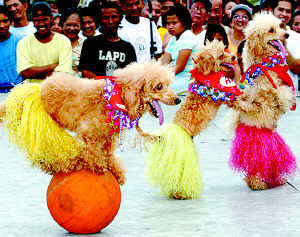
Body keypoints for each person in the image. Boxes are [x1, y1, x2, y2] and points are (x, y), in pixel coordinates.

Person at [17, 1, 72, 83]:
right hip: (31, 92)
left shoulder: (63, 41)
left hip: (56, 91)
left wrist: (35, 73)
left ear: (51, 19)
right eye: (37, 20)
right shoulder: (24, 43)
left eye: (44, 19)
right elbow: (26, 73)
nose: (41, 24)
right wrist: (52, 66)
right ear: (32, 21)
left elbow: (62, 74)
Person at [79, 1, 136, 78]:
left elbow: (132, 76)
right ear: (100, 20)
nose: (110, 22)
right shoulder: (90, 43)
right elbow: (86, 73)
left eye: (114, 17)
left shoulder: (128, 48)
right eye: (106, 18)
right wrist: (108, 84)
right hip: (95, 89)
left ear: (120, 18)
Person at [162, 5, 198, 95]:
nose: (170, 27)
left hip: (189, 80)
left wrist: (159, 77)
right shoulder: (173, 39)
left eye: (174, 23)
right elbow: (163, 63)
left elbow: (179, 67)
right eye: (168, 23)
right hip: (177, 78)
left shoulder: (187, 37)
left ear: (184, 23)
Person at [272, 0, 300, 91]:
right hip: (264, 93)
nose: (284, 14)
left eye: (288, 11)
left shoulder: (296, 37)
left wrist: (283, 47)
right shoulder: (260, 35)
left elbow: (297, 68)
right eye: (281, 10)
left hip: (289, 93)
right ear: (271, 10)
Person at [0, 5, 24, 92]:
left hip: (18, 93)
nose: (2, 25)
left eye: (5, 21)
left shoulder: (21, 40)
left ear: (11, 22)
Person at [61, 7, 85, 77]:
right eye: (68, 25)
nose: (72, 28)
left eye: (75, 25)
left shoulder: (86, 44)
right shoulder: (55, 42)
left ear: (80, 26)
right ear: (62, 25)